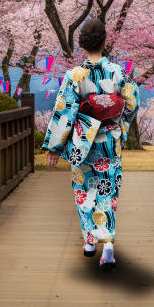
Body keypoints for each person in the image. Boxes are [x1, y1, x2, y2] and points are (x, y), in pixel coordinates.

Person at [42, 19, 139, 270]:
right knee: (108, 190)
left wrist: (54, 147)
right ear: (105, 42)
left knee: (84, 190)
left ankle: (89, 242)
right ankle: (106, 242)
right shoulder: (118, 72)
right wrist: (120, 127)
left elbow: (64, 111)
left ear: (81, 44)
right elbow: (132, 102)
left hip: (83, 142)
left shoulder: (74, 75)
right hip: (109, 141)